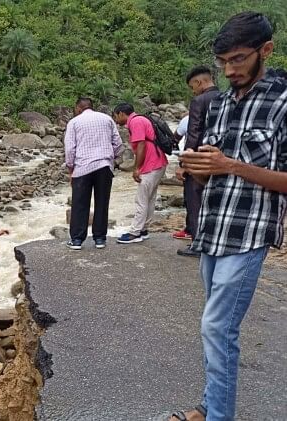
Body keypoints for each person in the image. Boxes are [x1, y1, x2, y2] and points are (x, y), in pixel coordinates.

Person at [171, 12, 287, 421]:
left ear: (266, 51)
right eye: (223, 62)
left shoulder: (283, 102)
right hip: (212, 229)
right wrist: (196, 170)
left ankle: (218, 414)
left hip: (249, 233)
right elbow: (213, 169)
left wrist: (232, 166)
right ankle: (210, 404)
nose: (229, 69)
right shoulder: (218, 102)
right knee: (217, 329)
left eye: (238, 59)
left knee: (217, 328)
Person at [64, 97, 123, 250]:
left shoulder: (74, 122)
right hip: (104, 166)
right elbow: (118, 143)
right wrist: (112, 158)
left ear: (78, 108)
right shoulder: (107, 119)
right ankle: (100, 239)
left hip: (82, 167)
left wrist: (71, 168)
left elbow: (70, 149)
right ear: (92, 106)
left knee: (80, 204)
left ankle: (77, 239)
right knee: (102, 202)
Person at [174, 66, 221, 257]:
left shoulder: (200, 100)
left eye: (192, 87)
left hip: (200, 160)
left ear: (199, 82)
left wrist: (184, 164)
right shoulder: (226, 97)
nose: (193, 91)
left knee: (195, 202)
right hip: (220, 159)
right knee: (214, 203)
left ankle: (198, 244)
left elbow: (194, 134)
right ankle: (214, 241)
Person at [113, 103, 168, 244]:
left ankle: (135, 232)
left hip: (150, 164)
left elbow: (141, 145)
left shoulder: (135, 122)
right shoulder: (140, 119)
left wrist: (137, 168)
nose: (116, 120)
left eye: (116, 116)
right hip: (159, 162)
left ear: (121, 114)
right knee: (150, 198)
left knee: (141, 199)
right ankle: (143, 229)